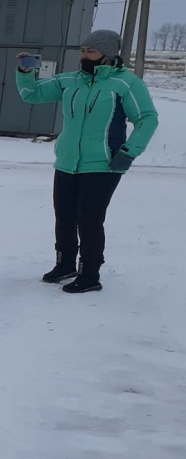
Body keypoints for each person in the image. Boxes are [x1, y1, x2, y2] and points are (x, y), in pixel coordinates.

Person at [16, 29, 159, 293]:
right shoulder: (71, 80)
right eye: (82, 50)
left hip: (105, 163)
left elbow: (147, 118)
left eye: (90, 51)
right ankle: (65, 264)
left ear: (107, 54)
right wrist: (25, 73)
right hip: (68, 162)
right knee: (65, 217)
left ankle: (90, 274)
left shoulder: (126, 83)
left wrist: (129, 152)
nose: (84, 55)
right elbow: (32, 94)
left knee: (89, 220)